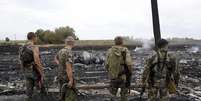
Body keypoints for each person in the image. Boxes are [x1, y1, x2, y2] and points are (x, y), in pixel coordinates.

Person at [19, 32, 45, 101]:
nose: (36, 38)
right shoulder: (34, 47)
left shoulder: (22, 47)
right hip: (34, 70)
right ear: (33, 37)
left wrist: (23, 70)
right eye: (36, 37)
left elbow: (20, 60)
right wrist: (41, 72)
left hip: (26, 70)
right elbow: (37, 61)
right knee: (39, 88)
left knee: (29, 89)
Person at [105, 36, 132, 101]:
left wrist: (111, 73)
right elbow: (129, 64)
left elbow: (106, 64)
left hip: (113, 77)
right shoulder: (125, 50)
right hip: (123, 77)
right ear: (122, 42)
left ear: (115, 42)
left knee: (112, 95)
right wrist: (130, 73)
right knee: (124, 96)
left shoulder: (109, 51)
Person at [55, 36, 77, 101]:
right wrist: (71, 79)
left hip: (60, 75)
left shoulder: (61, 51)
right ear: (73, 43)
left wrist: (60, 64)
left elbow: (55, 58)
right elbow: (68, 67)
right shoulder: (69, 52)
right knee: (70, 96)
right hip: (66, 77)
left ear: (66, 43)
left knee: (62, 95)